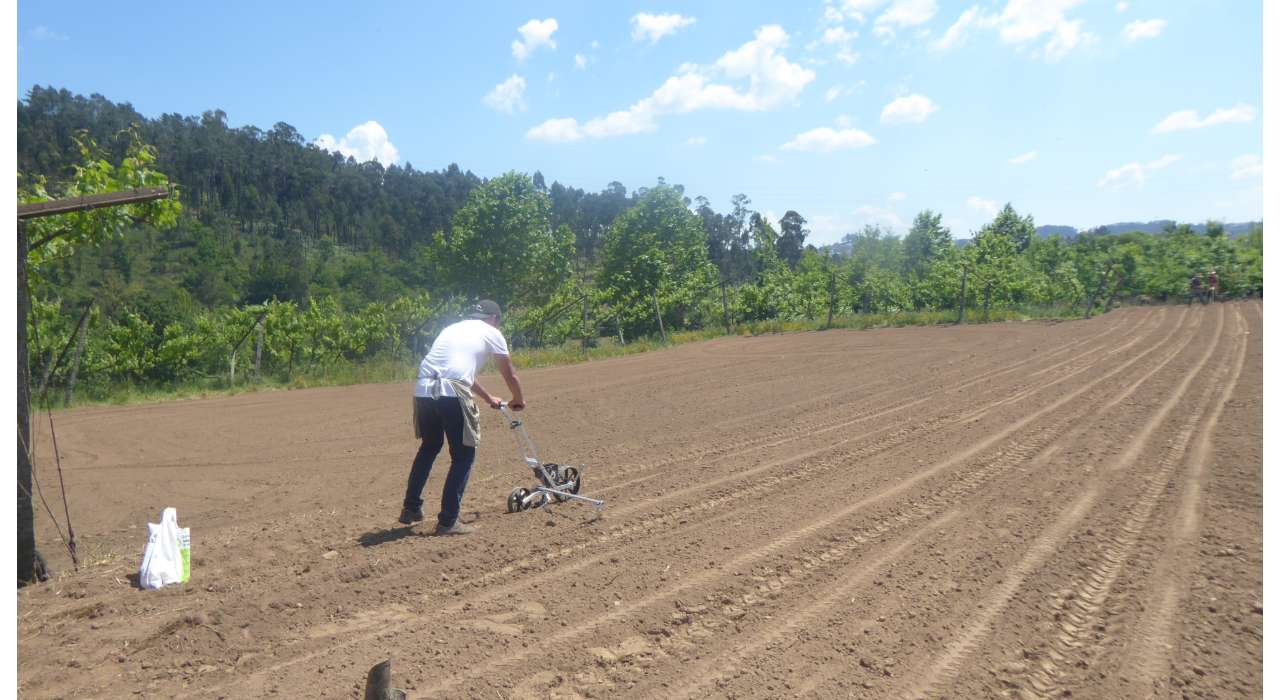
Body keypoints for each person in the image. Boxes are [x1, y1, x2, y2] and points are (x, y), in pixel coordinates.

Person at [401, 300, 525, 535]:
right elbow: (509, 372)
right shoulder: (492, 332)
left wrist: (488, 397)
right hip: (451, 392)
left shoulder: (452, 328)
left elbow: (459, 373)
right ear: (494, 319)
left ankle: (411, 508)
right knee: (463, 455)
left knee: (429, 447)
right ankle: (448, 521)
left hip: (423, 390)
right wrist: (518, 398)